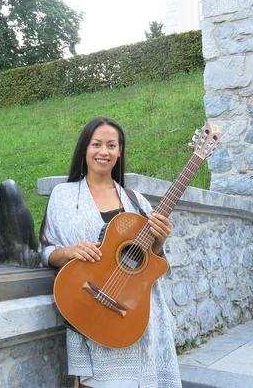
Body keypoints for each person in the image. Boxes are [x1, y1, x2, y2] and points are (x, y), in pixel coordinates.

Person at [40, 117, 182, 388]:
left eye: (111, 145)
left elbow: (153, 263)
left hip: (134, 312)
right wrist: (69, 252)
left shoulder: (135, 200)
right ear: (85, 149)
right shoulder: (64, 195)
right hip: (92, 304)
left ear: (119, 152)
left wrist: (159, 242)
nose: (103, 152)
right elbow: (45, 251)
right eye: (96, 144)